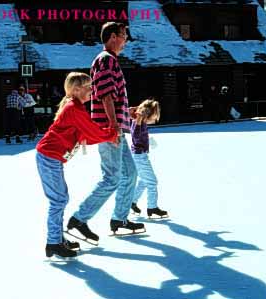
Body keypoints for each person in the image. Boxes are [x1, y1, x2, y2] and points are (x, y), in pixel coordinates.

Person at [67, 22, 145, 245]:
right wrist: (113, 126)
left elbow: (112, 97)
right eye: (123, 35)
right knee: (111, 178)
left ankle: (119, 219)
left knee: (129, 174)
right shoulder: (105, 60)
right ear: (112, 37)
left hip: (115, 128)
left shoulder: (111, 61)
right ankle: (79, 219)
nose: (126, 40)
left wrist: (125, 112)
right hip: (109, 130)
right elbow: (105, 95)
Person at [36, 72, 118, 259]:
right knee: (58, 200)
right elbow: (92, 131)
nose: (92, 90)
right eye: (88, 86)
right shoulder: (73, 108)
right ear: (76, 89)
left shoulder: (77, 107)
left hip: (52, 158)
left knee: (60, 198)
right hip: (48, 157)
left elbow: (85, 135)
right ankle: (53, 243)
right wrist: (110, 133)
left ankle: (56, 239)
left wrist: (107, 134)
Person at [129, 99, 168, 219]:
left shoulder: (141, 122)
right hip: (139, 156)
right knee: (152, 182)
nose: (154, 119)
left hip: (139, 155)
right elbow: (135, 136)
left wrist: (148, 140)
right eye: (153, 116)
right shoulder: (138, 122)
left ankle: (132, 202)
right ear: (148, 114)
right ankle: (152, 207)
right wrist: (139, 118)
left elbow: (138, 135)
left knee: (144, 181)